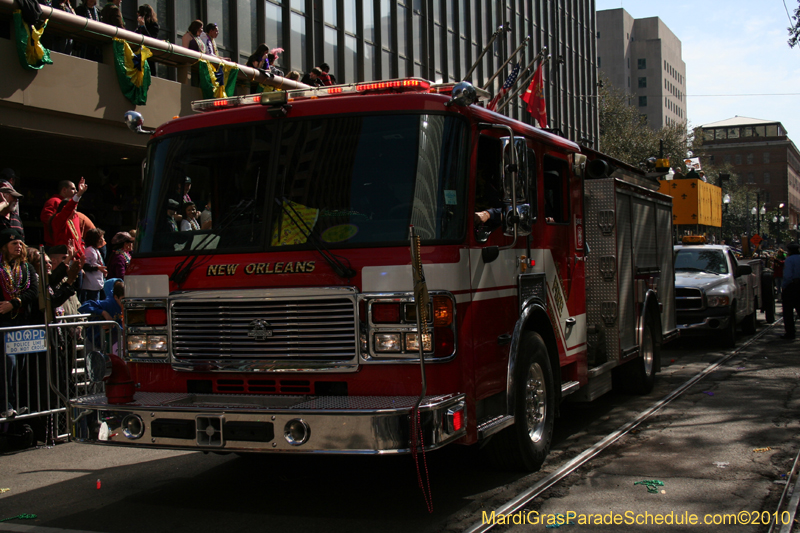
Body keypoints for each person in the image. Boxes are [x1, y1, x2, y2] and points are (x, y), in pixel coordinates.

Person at [0, 229, 39, 419]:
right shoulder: (1, 268)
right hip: (5, 323)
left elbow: (33, 292)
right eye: (14, 243)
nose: (18, 246)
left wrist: (14, 303)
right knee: (8, 364)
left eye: (20, 243)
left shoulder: (27, 268)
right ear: (5, 247)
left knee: (21, 366)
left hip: (22, 322)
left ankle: (18, 403)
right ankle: (6, 404)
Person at [79, 278, 124, 353]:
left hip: (110, 343)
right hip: (93, 340)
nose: (125, 303)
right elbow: (84, 306)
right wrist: (103, 312)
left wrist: (114, 326)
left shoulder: (125, 307)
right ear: (116, 297)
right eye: (123, 299)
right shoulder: (108, 304)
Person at [50, 177, 89, 257]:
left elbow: (79, 240)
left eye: (76, 208)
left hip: (77, 259)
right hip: (64, 257)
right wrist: (79, 194)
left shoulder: (75, 218)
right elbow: (69, 207)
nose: (75, 211)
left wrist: (82, 254)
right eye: (73, 208)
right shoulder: (58, 219)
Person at [41, 180, 79, 247]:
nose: (76, 191)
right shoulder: (53, 201)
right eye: (73, 189)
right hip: (55, 244)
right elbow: (46, 218)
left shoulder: (68, 203)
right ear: (64, 190)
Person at [80, 228, 107, 302]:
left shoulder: (96, 250)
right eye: (102, 238)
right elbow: (85, 266)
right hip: (91, 286)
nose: (103, 240)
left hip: (97, 284)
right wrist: (98, 268)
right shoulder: (89, 250)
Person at [781, 243, 800, 340]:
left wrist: (784, 287)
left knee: (788, 312)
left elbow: (788, 275)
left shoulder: (789, 260)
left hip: (792, 287)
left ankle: (790, 332)